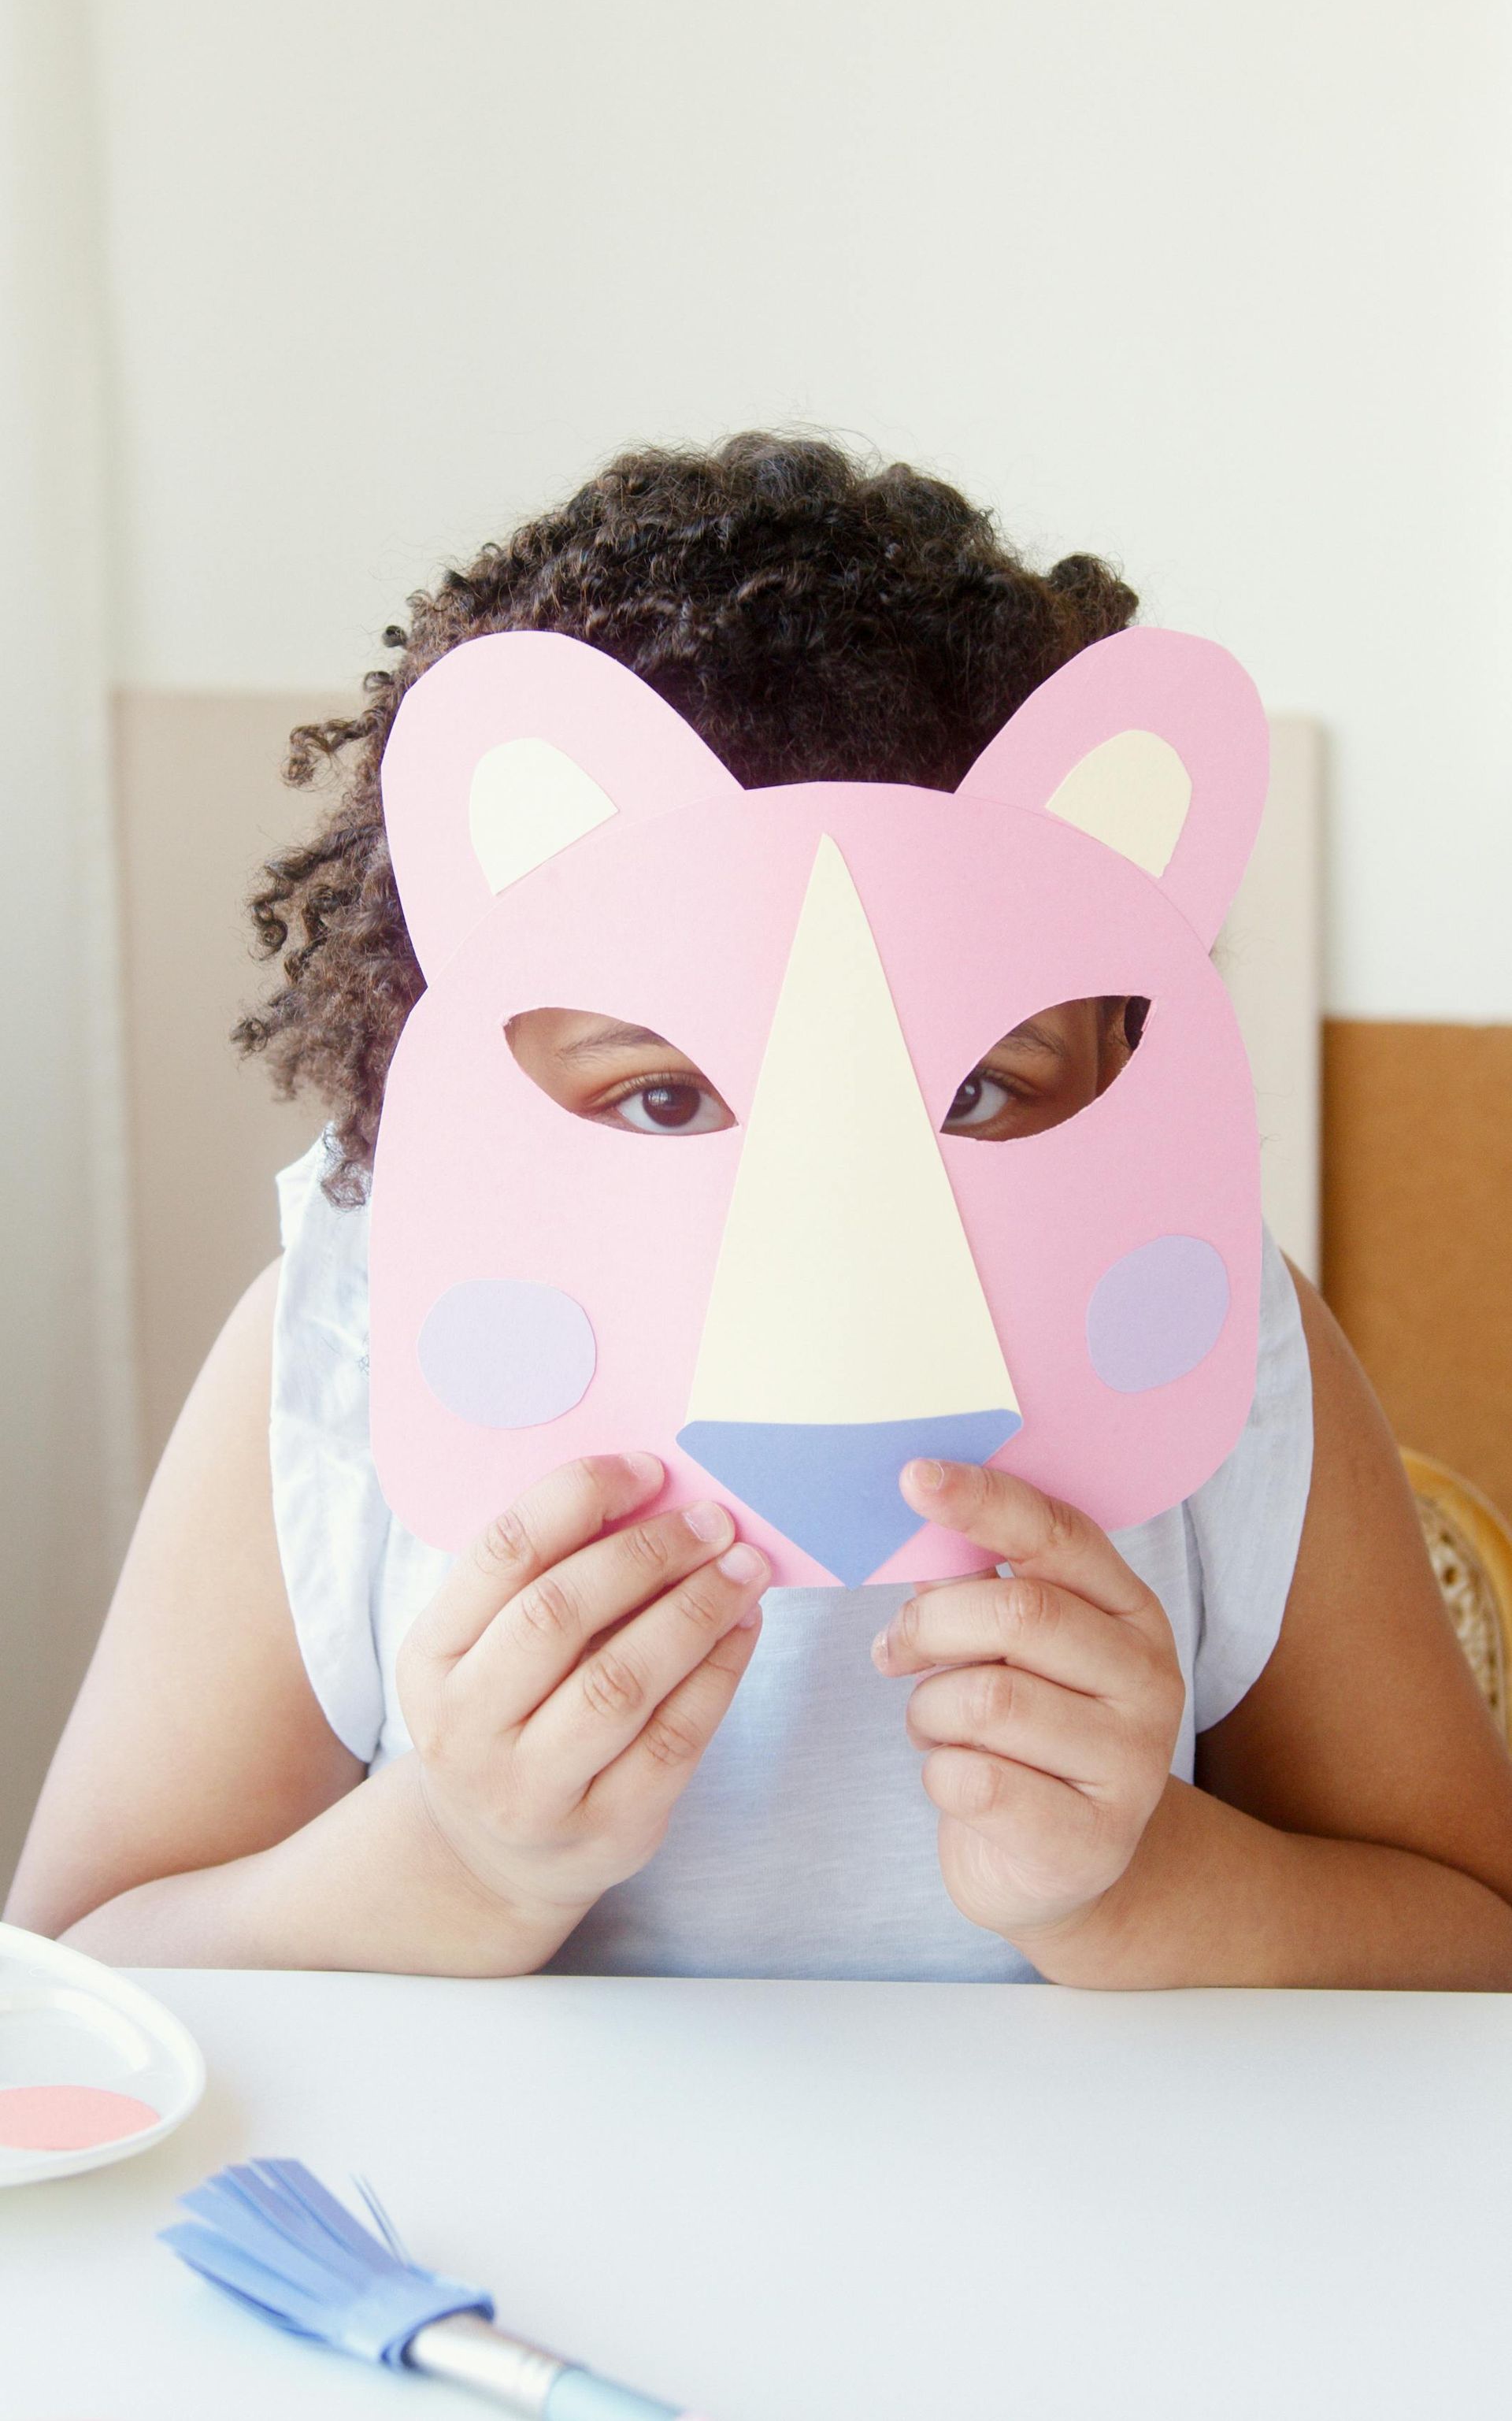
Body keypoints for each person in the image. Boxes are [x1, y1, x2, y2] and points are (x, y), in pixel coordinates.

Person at [9, 435, 1512, 1985]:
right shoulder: (336, 1346)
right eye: (664, 1099)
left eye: (982, 1094)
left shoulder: (1231, 1360)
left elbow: (1477, 1947)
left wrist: (1123, 1889)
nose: (841, 1246)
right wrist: (458, 1858)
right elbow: (70, 1977)